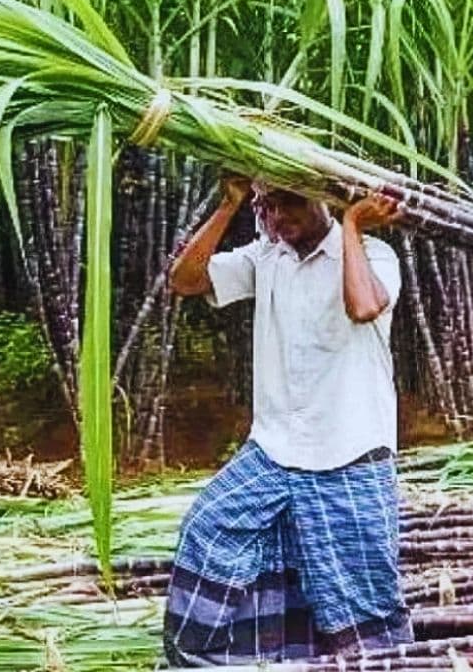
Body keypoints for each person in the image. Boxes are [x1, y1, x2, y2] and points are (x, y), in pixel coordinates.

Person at [162, 176, 411, 665]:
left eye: (290, 203)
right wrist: (229, 205)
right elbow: (184, 281)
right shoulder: (266, 257)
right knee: (208, 530)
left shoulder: (373, 255)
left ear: (325, 199)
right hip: (275, 450)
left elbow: (363, 306)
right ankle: (218, 660)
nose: (278, 218)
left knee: (360, 597)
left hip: (350, 452)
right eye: (267, 207)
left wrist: (354, 224)